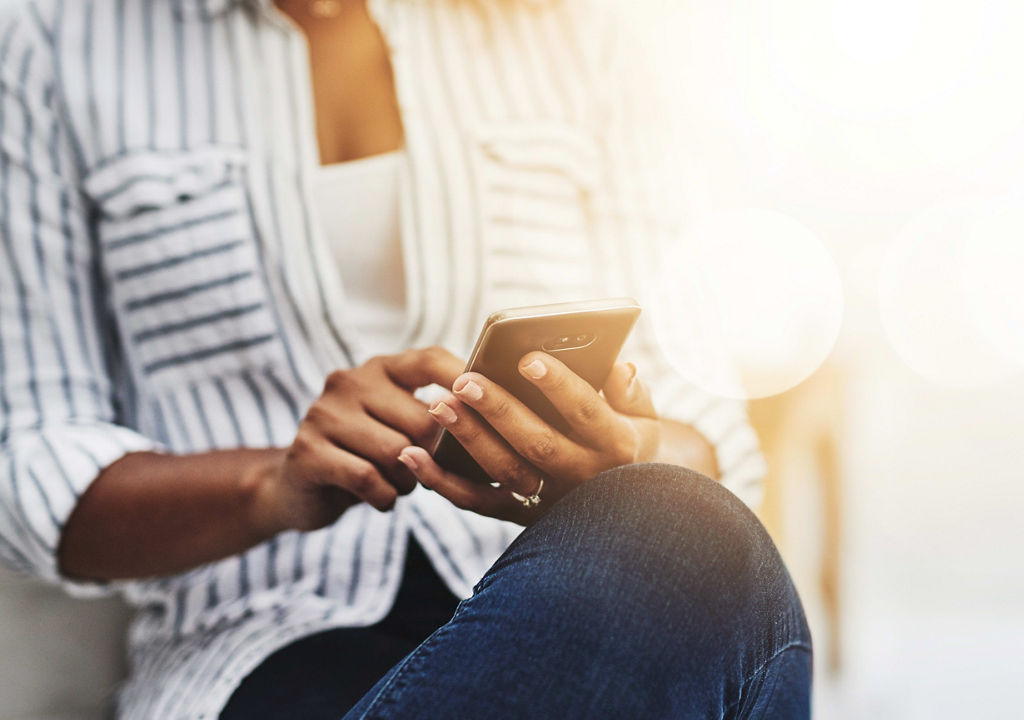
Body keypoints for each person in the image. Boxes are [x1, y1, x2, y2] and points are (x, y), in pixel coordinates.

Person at [0, 0, 811, 717]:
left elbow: (710, 433)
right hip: (252, 651)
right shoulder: (53, 36)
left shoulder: (579, 35)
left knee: (687, 531)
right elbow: (32, 465)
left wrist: (623, 462)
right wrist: (272, 484)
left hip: (573, 615)